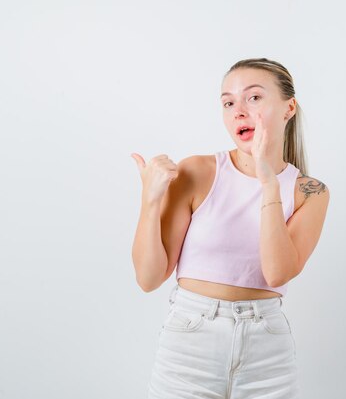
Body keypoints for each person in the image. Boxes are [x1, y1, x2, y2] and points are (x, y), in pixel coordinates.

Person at [130, 57, 330, 399]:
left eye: (253, 97)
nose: (239, 110)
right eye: (228, 102)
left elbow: (277, 273)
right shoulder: (198, 171)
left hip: (267, 350)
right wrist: (150, 200)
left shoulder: (309, 192)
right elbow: (149, 279)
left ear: (288, 107)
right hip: (190, 343)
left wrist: (269, 183)